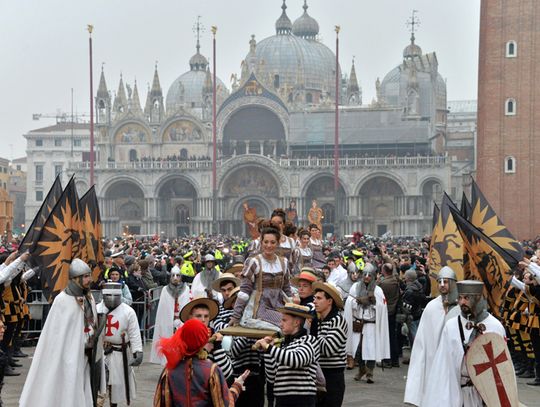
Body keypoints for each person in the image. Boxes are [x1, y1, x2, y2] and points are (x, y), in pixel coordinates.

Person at [20, 259, 105, 407]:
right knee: (68, 387)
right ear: (75, 279)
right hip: (68, 355)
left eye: (89, 276)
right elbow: (56, 335)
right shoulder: (62, 300)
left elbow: (91, 324)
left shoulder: (89, 298)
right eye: (85, 277)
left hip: (87, 354)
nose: (89, 280)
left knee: (86, 389)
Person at [423, 280, 508, 407]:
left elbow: (503, 369)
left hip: (486, 394)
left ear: (478, 298)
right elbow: (443, 366)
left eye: (467, 298)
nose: (462, 302)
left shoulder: (495, 326)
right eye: (460, 298)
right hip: (456, 391)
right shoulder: (451, 326)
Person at [154, 318, 249, 406]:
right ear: (203, 341)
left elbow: (160, 403)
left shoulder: (169, 371)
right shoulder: (211, 370)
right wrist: (237, 386)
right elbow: (224, 404)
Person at [404, 266, 460, 406]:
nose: (442, 285)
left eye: (446, 281)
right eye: (439, 281)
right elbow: (423, 338)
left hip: (453, 359)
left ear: (453, 283)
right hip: (433, 356)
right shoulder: (431, 307)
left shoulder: (461, 307)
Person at [230, 222, 292, 331]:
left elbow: (286, 287)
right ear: (261, 242)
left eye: (273, 242)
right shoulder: (254, 262)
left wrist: (292, 306)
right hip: (260, 307)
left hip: (280, 305)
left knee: (296, 321)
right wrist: (236, 315)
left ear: (277, 243)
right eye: (266, 242)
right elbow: (245, 290)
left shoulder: (283, 262)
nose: (269, 245)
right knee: (284, 322)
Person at [254, 303, 320, 407]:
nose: (280, 324)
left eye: (284, 320)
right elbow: (272, 377)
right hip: (282, 399)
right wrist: (266, 352)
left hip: (302, 400)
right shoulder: (283, 346)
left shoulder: (309, 340)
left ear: (296, 322)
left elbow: (297, 360)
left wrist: (269, 348)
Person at [97, 282, 143, 406]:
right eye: (108, 295)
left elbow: (134, 333)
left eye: (114, 295)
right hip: (100, 353)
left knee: (116, 390)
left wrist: (137, 351)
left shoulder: (128, 311)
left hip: (119, 354)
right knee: (98, 389)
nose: (111, 298)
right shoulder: (97, 309)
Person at [344, 263, 390, 383]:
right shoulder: (355, 287)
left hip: (371, 324)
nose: (367, 277)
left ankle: (370, 372)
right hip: (359, 323)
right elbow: (349, 302)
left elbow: (383, 306)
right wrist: (358, 302)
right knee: (358, 350)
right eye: (365, 274)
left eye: (370, 275)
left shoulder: (378, 290)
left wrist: (373, 302)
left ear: (373, 276)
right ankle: (361, 370)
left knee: (370, 350)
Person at [311, 282, 347, 407]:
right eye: (314, 298)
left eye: (319, 298)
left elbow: (327, 349)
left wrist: (314, 332)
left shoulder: (337, 320)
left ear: (329, 301)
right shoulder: (318, 321)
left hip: (333, 377)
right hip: (317, 375)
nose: (315, 301)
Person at [180, 297, 233, 380]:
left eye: (206, 316)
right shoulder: (181, 337)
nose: (203, 320)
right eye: (198, 316)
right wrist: (205, 351)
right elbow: (181, 370)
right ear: (190, 317)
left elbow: (227, 374)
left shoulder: (219, 338)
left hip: (212, 388)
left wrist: (217, 346)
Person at [150, 267, 191, 365]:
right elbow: (163, 309)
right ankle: (167, 363)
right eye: (173, 276)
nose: (175, 278)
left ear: (181, 277)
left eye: (178, 276)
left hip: (181, 321)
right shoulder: (165, 290)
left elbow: (187, 305)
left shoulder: (186, 289)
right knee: (168, 341)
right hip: (168, 321)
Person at [378, 262, 400, 368]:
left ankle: (388, 359)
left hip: (386, 311)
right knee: (393, 336)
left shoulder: (384, 283)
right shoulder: (396, 280)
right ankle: (395, 360)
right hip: (394, 310)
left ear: (384, 271)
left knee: (387, 337)